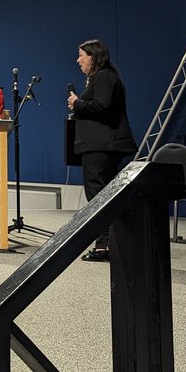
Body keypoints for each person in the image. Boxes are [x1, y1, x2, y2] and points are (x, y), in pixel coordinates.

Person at [68, 38, 137, 262]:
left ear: (93, 56)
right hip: (99, 145)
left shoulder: (105, 77)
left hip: (102, 145)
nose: (78, 60)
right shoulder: (99, 78)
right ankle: (108, 243)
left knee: (98, 195)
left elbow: (102, 107)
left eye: (81, 55)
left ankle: (105, 245)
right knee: (100, 194)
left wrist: (78, 103)